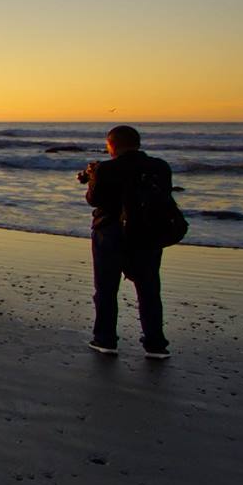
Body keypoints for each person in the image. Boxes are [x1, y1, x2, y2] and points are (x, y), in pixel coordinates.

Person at [83, 125, 174, 359]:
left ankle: (105, 340)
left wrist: (94, 178)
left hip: (110, 232)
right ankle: (155, 344)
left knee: (106, 288)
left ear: (112, 144)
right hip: (147, 233)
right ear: (138, 143)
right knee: (149, 289)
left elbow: (94, 200)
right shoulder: (160, 167)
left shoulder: (106, 169)